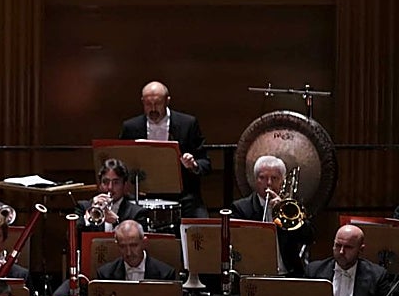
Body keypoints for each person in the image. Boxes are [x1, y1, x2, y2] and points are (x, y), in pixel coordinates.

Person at [118, 81, 211, 218]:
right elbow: (120, 163)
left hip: (183, 196)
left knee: (201, 229)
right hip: (142, 196)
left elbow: (205, 163)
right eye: (148, 104)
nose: (153, 108)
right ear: (142, 102)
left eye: (158, 103)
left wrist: (193, 165)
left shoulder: (188, 124)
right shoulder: (130, 127)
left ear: (167, 101)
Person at [231, 155, 313, 276]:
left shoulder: (291, 207)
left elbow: (309, 237)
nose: (269, 183)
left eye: (274, 178)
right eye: (263, 178)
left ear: (282, 181)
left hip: (288, 274)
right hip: (254, 275)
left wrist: (284, 210)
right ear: (255, 180)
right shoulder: (241, 208)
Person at [77, 159, 146, 235]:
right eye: (106, 182)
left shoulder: (137, 213)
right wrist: (89, 217)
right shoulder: (83, 207)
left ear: (125, 185)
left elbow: (137, 241)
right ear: (100, 184)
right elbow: (74, 236)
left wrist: (117, 222)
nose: (110, 187)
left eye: (116, 182)